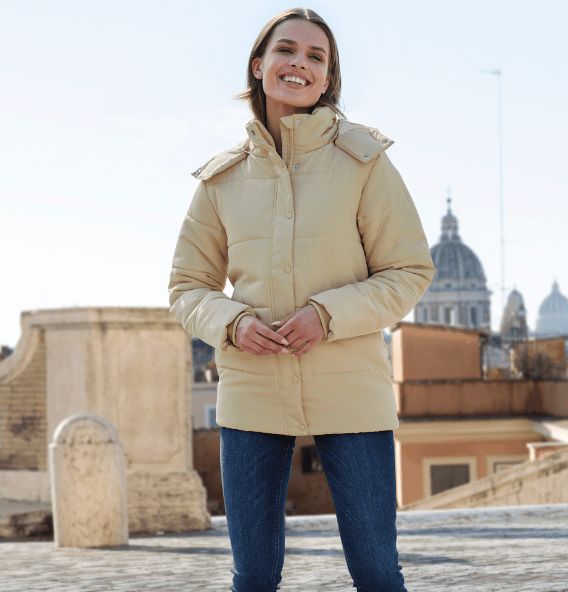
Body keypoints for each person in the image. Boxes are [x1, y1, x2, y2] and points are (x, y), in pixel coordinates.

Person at [168, 7, 435, 592]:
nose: (300, 64)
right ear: (258, 66)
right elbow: (186, 287)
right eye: (287, 50)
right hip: (251, 390)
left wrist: (326, 316)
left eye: (317, 57)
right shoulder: (220, 180)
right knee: (253, 576)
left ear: (328, 78)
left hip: (352, 390)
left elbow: (409, 271)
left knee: (377, 572)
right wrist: (233, 324)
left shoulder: (364, 162)